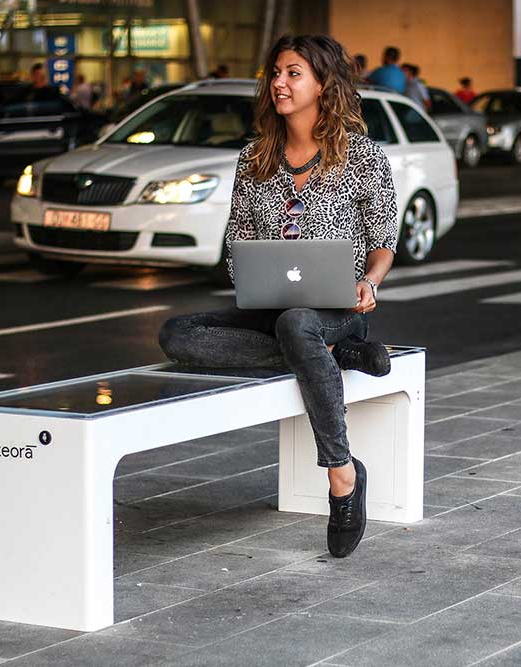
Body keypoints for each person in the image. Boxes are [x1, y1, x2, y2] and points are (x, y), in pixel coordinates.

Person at [158, 34, 398, 559]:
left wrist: (369, 284)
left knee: (299, 325)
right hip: (270, 309)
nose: (280, 83)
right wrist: (246, 272)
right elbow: (237, 240)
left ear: (323, 84)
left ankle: (341, 472)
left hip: (335, 312)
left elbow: (382, 243)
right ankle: (330, 360)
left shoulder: (362, 157)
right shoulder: (254, 157)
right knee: (178, 334)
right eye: (276, 73)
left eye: (293, 73)